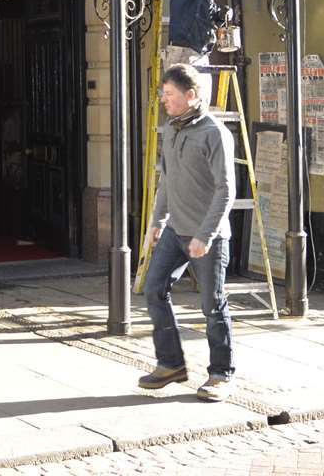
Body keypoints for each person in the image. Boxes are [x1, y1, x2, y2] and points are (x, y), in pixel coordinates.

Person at [139, 63, 236, 401]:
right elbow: (167, 179)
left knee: (212, 305)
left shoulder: (215, 134)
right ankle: (171, 364)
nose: (164, 100)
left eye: (169, 94)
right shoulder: (172, 129)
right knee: (153, 289)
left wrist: (205, 235)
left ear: (191, 96)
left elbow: (226, 190)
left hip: (208, 237)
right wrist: (157, 220)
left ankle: (221, 375)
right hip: (175, 231)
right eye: (163, 93)